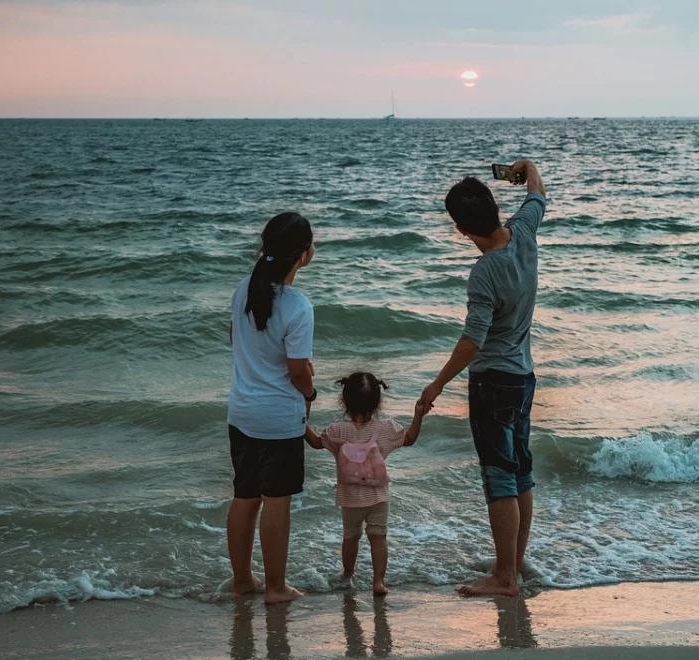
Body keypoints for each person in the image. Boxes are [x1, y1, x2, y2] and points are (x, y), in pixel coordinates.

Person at [417, 159, 547, 597]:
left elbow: (474, 339)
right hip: (524, 377)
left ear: (460, 229)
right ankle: (513, 563)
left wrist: (436, 385)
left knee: (500, 478)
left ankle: (504, 577)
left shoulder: (484, 272)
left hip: (492, 380)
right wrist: (522, 167)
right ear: (494, 205)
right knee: (521, 473)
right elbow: (536, 190)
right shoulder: (524, 231)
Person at [226, 211, 317, 605]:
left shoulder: (243, 289)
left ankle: (243, 580)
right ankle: (276, 588)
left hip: (241, 411)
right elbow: (298, 370)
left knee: (245, 497)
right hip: (278, 418)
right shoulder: (297, 305)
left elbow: (236, 339)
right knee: (277, 501)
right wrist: (311, 394)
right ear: (302, 255)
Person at [305, 372, 425, 596]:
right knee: (378, 537)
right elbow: (409, 439)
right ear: (378, 402)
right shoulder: (385, 429)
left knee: (350, 537)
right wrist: (418, 415)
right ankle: (378, 582)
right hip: (378, 497)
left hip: (349, 499)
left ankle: (347, 575)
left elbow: (314, 442)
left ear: (344, 400)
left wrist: (302, 415)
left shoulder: (337, 430)